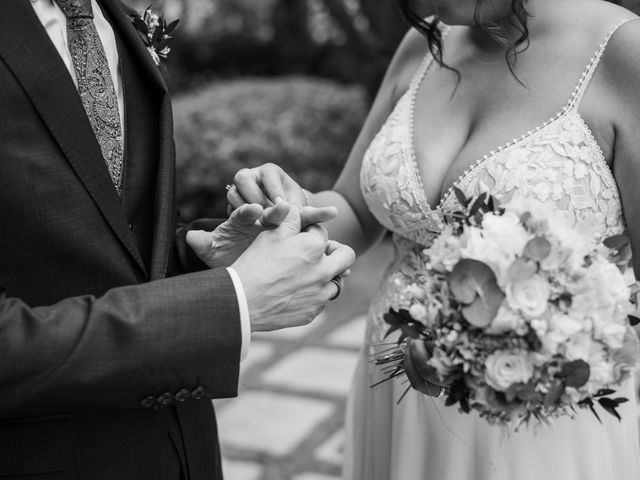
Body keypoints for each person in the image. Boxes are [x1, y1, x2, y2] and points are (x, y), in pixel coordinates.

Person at [227, 0, 640, 478]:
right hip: (395, 384)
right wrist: (290, 207)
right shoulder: (424, 44)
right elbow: (356, 211)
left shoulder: (624, 53)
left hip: (538, 413)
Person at [0, 1, 355, 479]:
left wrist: (210, 254)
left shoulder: (111, 19)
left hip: (183, 447)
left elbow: (109, 241)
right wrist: (229, 304)